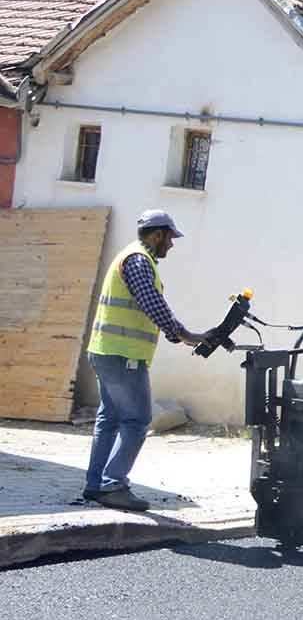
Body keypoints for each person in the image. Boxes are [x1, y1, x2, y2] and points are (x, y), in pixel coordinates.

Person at [82, 209, 203, 511]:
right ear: (157, 235)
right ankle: (113, 484)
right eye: (170, 238)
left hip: (106, 351)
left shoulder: (130, 256)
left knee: (109, 419)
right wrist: (184, 334)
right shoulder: (138, 260)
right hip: (124, 356)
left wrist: (181, 336)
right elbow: (151, 302)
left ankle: (96, 484)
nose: (172, 245)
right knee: (137, 421)